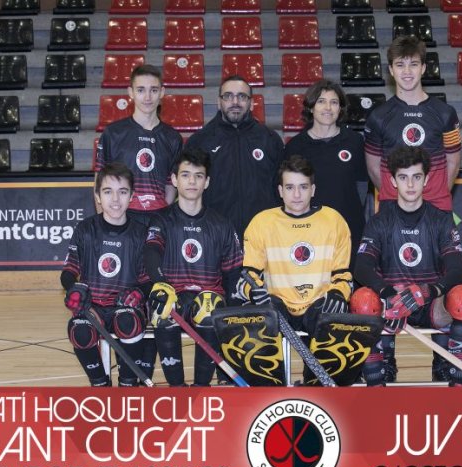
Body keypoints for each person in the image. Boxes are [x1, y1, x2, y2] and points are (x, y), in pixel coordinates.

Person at [354, 146, 462, 386]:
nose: (410, 184)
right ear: (393, 181)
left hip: (431, 304)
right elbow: (362, 267)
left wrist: (428, 291)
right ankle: (379, 373)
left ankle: (452, 373)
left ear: (426, 179)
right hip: (392, 305)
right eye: (403, 177)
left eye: (416, 177)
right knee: (363, 300)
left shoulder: (442, 220)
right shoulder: (379, 222)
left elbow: (456, 271)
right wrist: (387, 293)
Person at [142, 148, 243, 386]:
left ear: (206, 182)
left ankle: (201, 387)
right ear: (174, 180)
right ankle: (177, 387)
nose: (192, 181)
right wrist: (161, 283)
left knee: (209, 309)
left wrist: (233, 314)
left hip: (208, 298)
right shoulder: (161, 219)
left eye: (198, 176)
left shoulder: (221, 224)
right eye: (185, 175)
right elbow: (151, 251)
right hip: (173, 296)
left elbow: (233, 274)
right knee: (162, 310)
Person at [237, 155, 352, 337]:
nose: (297, 195)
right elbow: (246, 278)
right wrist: (253, 292)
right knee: (264, 313)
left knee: (335, 311)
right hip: (277, 308)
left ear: (313, 190)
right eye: (290, 188)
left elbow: (343, 277)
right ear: (280, 191)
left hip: (318, 308)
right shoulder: (262, 222)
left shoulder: (334, 221)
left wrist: (338, 293)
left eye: (303, 187)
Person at [61, 163, 150, 387]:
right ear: (98, 196)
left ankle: (128, 383)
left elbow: (149, 280)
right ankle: (100, 385)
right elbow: (69, 271)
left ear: (132, 196)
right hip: (95, 307)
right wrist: (73, 290)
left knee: (128, 321)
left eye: (123, 192)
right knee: (79, 329)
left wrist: (140, 293)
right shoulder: (85, 229)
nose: (116, 199)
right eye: (108, 192)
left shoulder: (141, 233)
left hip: (127, 307)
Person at [364, 35, 462, 212]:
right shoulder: (378, 117)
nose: (407, 71)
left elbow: (453, 164)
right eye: (400, 65)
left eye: (414, 64)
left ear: (423, 68)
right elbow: (373, 168)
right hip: (392, 209)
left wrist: (436, 196)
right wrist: (396, 197)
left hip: (436, 208)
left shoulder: (446, 113)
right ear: (391, 70)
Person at [284, 79, 368, 268]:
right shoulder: (295, 147)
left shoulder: (354, 142)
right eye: (321, 101)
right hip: (308, 231)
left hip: (348, 228)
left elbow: (362, 186)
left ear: (340, 108)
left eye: (334, 102)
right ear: (311, 107)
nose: (328, 108)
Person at [187, 75, 284, 238]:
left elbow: (281, 189)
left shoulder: (270, 140)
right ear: (219, 102)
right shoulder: (200, 141)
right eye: (228, 96)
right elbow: (190, 190)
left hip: (262, 236)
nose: (235, 102)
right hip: (214, 235)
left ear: (251, 103)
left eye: (242, 96)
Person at [95, 64, 183, 225]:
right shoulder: (113, 133)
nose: (147, 97)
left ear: (162, 92)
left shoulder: (173, 138)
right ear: (131, 92)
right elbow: (99, 182)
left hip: (158, 219)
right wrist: (104, 224)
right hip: (122, 218)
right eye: (141, 90)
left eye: (154, 90)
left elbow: (171, 183)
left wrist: (162, 211)